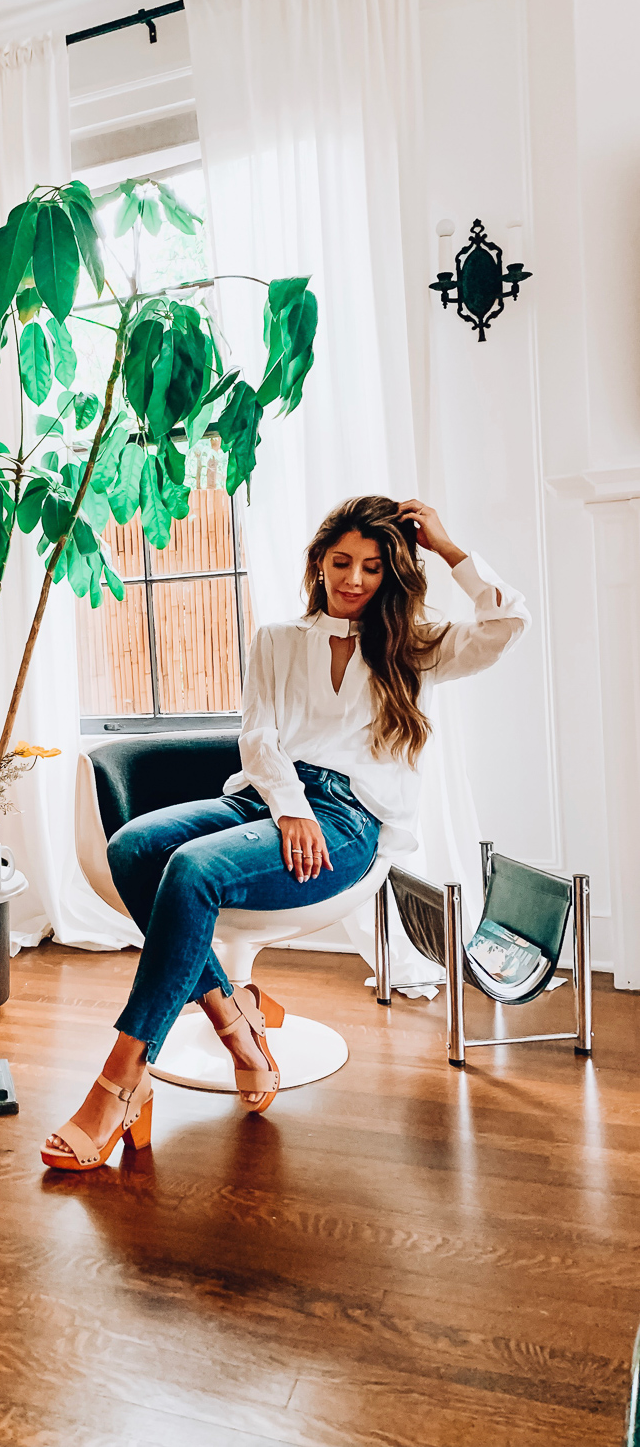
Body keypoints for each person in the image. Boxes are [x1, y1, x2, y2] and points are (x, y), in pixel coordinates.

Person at [42, 495, 530, 1171]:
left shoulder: (415, 645)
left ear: (392, 575)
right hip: (269, 801)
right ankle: (234, 1022)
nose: (353, 579)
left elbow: (509, 622)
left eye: (370, 567)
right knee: (132, 847)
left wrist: (447, 549)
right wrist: (288, 805)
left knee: (191, 870)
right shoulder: (276, 639)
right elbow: (259, 737)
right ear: (318, 563)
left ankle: (122, 1077)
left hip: (346, 822)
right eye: (340, 562)